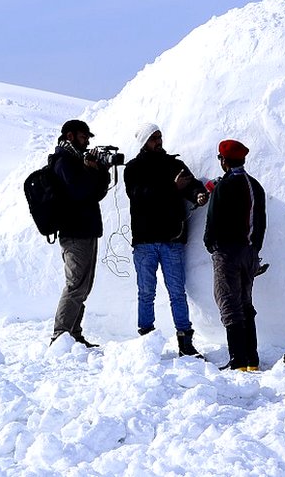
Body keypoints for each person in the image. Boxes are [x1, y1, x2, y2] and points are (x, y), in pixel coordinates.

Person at [124, 123, 209, 356]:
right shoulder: (133, 168)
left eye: (159, 136)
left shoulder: (174, 164)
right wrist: (172, 188)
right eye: (153, 138)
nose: (158, 141)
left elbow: (189, 184)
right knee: (146, 292)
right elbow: (140, 195)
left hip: (173, 239)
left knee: (177, 292)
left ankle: (185, 342)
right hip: (145, 241)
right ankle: (147, 341)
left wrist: (197, 194)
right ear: (144, 142)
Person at [204, 139, 267, 371]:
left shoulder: (224, 186)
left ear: (224, 161)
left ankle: (237, 360)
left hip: (227, 253)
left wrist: (210, 244)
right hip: (249, 252)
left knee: (229, 303)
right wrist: (255, 248)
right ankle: (252, 359)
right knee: (245, 302)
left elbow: (213, 219)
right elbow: (261, 222)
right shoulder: (255, 186)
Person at [50, 119, 111, 348]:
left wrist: (100, 171)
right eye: (84, 136)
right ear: (70, 136)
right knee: (75, 285)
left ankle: (73, 333)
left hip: (86, 230)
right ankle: (60, 335)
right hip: (74, 231)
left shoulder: (76, 161)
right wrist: (90, 170)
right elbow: (80, 191)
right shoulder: (63, 161)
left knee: (84, 286)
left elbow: (96, 193)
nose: (87, 141)